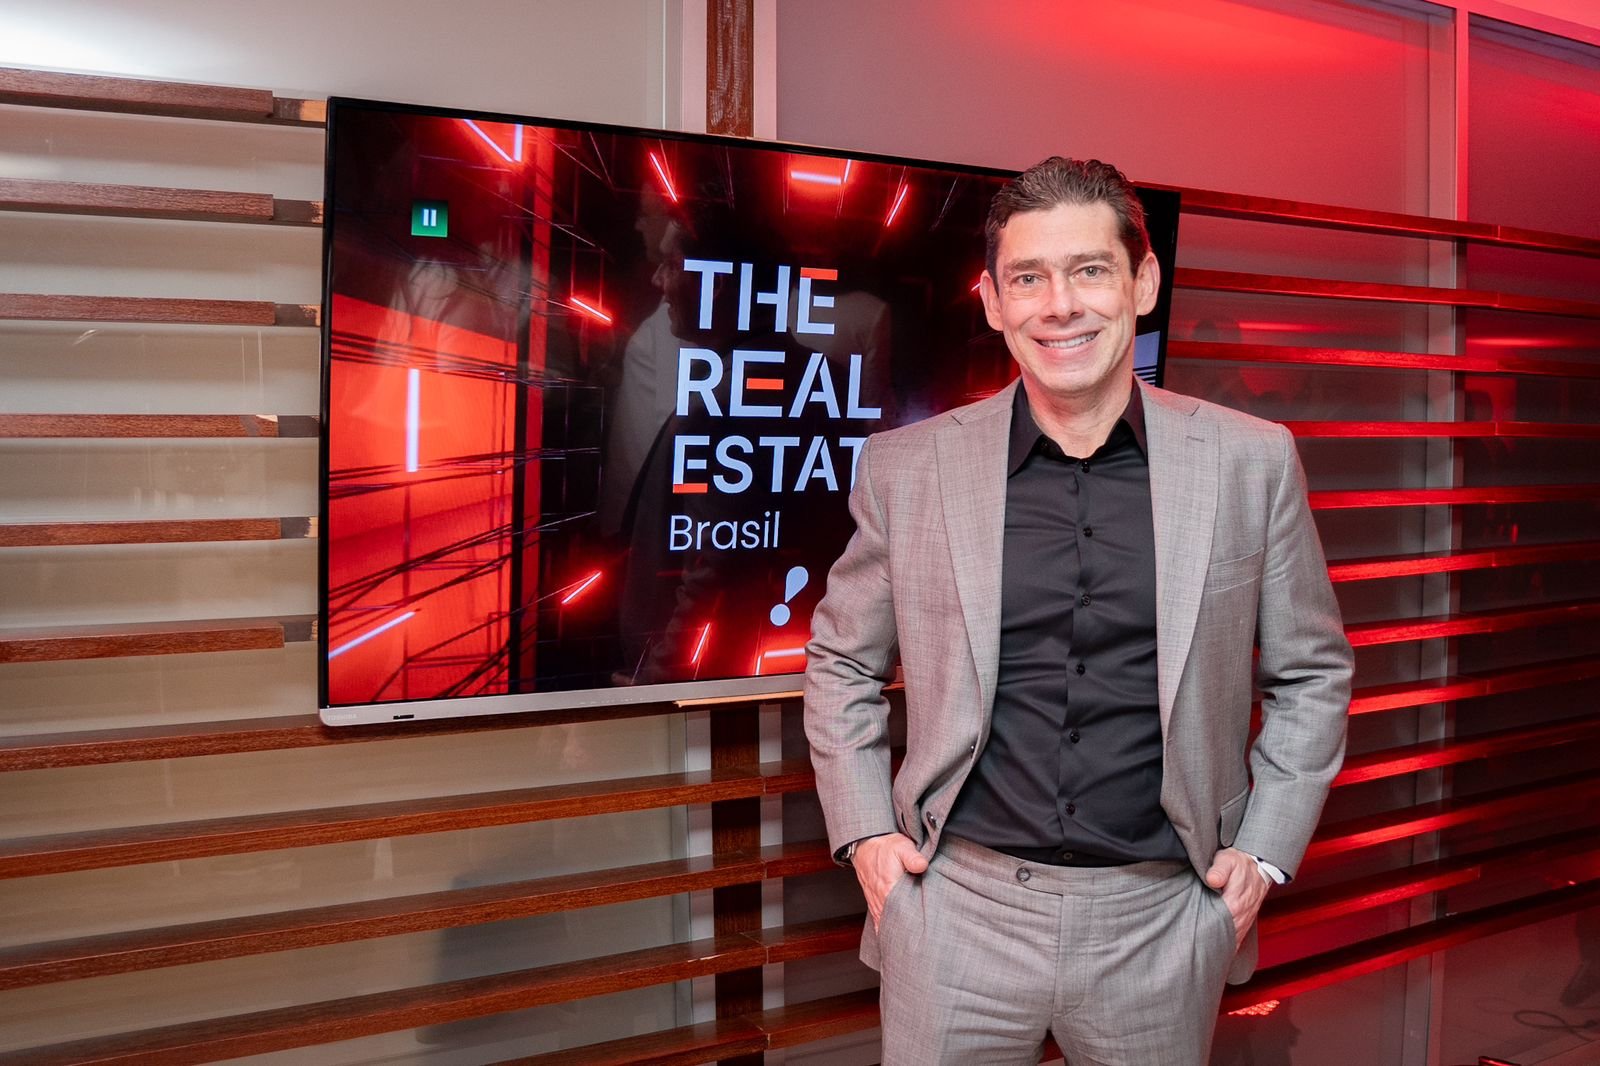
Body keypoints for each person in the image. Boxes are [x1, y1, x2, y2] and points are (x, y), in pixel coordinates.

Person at [803, 156, 1353, 1066]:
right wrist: (865, 834)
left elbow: (1313, 673)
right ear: (992, 301)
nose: (1059, 306)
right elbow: (842, 662)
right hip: (954, 914)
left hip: (1164, 918)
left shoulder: (1249, 462)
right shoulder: (908, 467)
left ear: (1143, 283)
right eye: (1029, 278)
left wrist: (1262, 857)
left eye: (1090, 270)